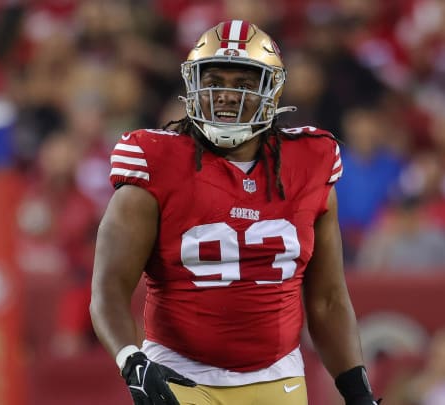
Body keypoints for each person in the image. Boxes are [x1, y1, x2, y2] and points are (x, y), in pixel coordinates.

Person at [90, 20, 381, 405]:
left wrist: (357, 391)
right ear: (193, 87)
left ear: (271, 92)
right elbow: (108, 288)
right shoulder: (156, 161)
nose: (227, 96)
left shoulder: (310, 161)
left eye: (243, 85)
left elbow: (327, 298)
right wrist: (132, 360)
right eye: (215, 81)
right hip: (179, 375)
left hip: (278, 376)